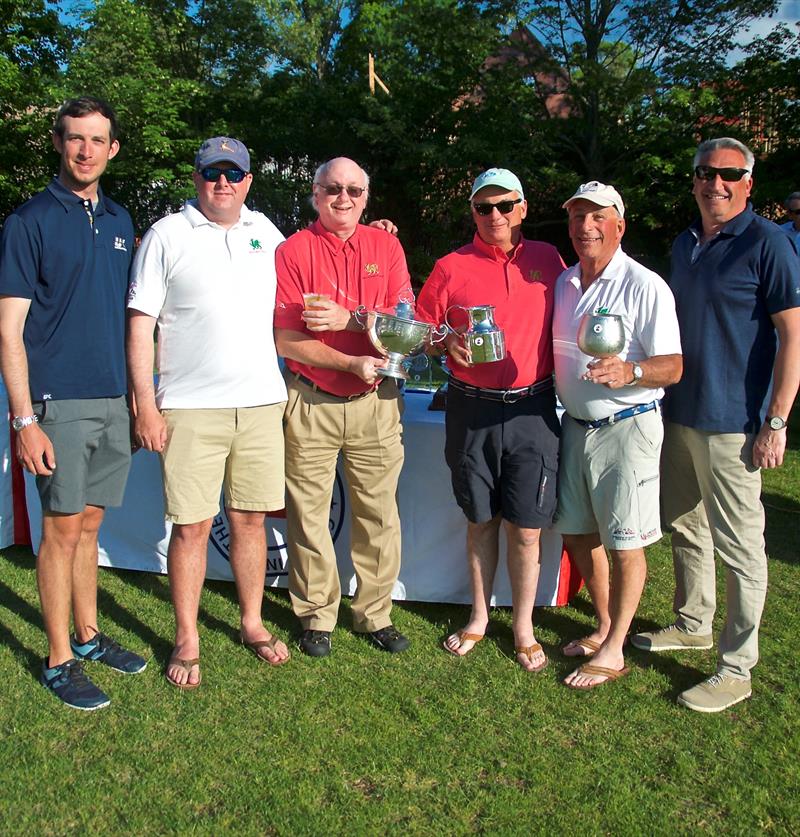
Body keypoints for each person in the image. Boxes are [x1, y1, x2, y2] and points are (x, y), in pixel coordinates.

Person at [631, 138, 800, 712]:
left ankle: (737, 667)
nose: (715, 183)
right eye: (705, 173)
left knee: (741, 548)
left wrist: (776, 419)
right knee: (685, 525)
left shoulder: (768, 242)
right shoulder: (685, 244)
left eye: (729, 174)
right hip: (679, 410)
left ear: (749, 182)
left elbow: (792, 338)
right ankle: (693, 621)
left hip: (734, 422)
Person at [127, 137, 291, 689]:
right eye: (213, 172)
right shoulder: (167, 234)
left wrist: (376, 231)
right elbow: (140, 323)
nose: (224, 182)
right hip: (190, 407)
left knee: (249, 520)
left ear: (248, 181)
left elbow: (312, 273)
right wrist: (144, 402)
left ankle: (251, 622)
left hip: (262, 402)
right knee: (193, 527)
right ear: (196, 177)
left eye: (235, 174)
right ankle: (188, 637)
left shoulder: (266, 233)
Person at [0, 96, 146, 711]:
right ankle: (58, 656)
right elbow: (8, 330)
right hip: (56, 404)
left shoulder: (120, 221)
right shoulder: (29, 221)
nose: (85, 150)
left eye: (98, 140)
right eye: (74, 138)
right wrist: (25, 419)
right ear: (59, 143)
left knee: (89, 525)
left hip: (113, 400)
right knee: (60, 532)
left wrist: (138, 400)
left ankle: (88, 636)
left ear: (112, 150)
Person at [415, 168, 565, 672]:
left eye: (504, 206)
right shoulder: (450, 265)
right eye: (484, 208)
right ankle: (479, 615)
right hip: (471, 406)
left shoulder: (548, 260)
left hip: (533, 408)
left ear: (522, 208)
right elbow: (421, 330)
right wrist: (444, 342)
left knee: (526, 528)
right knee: (480, 519)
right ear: (473, 213)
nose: (495, 216)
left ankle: (522, 625)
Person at [274, 157, 413, 658]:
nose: (344, 198)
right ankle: (316, 615)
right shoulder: (293, 251)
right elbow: (288, 339)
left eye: (355, 189)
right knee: (309, 516)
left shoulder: (386, 246)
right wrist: (350, 362)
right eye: (333, 188)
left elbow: (404, 326)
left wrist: (349, 319)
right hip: (311, 400)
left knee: (378, 515)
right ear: (316, 194)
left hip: (375, 404)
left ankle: (374, 613)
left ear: (367, 197)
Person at [551, 181, 682, 689]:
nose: (586, 226)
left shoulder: (645, 285)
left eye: (597, 217)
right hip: (576, 426)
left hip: (627, 427)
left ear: (619, 225)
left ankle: (615, 647)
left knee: (625, 543)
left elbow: (673, 366)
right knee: (580, 532)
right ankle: (606, 625)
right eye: (578, 217)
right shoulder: (564, 282)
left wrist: (631, 372)